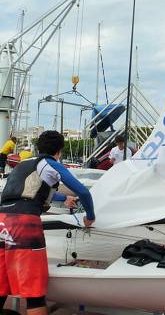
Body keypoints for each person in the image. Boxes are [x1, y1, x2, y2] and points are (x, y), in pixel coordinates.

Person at [0, 130, 95, 315]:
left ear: (38, 147)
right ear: (59, 152)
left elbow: (27, 191)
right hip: (23, 223)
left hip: (2, 220)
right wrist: (90, 216)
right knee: (34, 295)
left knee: (1, 288)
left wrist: (63, 198)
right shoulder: (49, 163)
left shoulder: (23, 163)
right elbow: (83, 192)